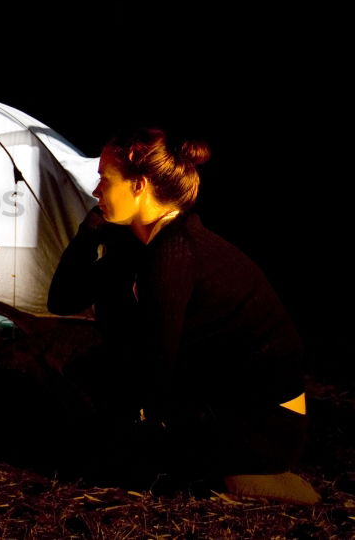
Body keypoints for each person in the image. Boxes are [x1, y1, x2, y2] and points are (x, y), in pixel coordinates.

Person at [48, 128, 318, 503]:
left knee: (104, 456)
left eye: (105, 179)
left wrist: (125, 420)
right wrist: (89, 230)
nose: (96, 191)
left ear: (139, 185)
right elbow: (62, 300)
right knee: (82, 394)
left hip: (264, 422)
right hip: (216, 397)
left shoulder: (176, 252)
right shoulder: (138, 244)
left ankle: (255, 476)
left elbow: (157, 365)